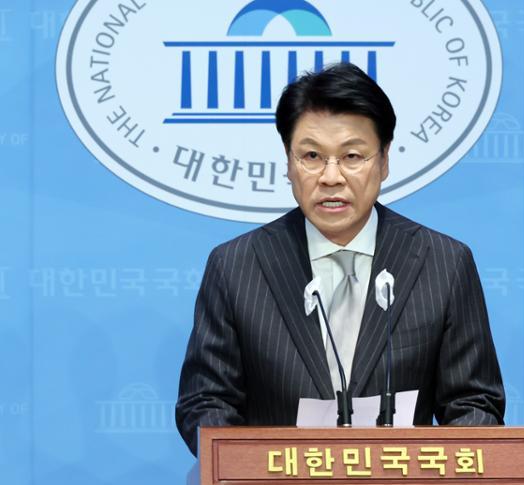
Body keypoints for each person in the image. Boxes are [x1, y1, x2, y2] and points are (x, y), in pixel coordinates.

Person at [176, 62, 505, 456]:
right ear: (288, 162)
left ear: (384, 160)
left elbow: (474, 402)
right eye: (312, 156)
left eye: (352, 156)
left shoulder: (444, 263)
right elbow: (206, 401)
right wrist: (246, 467)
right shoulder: (236, 266)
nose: (331, 177)